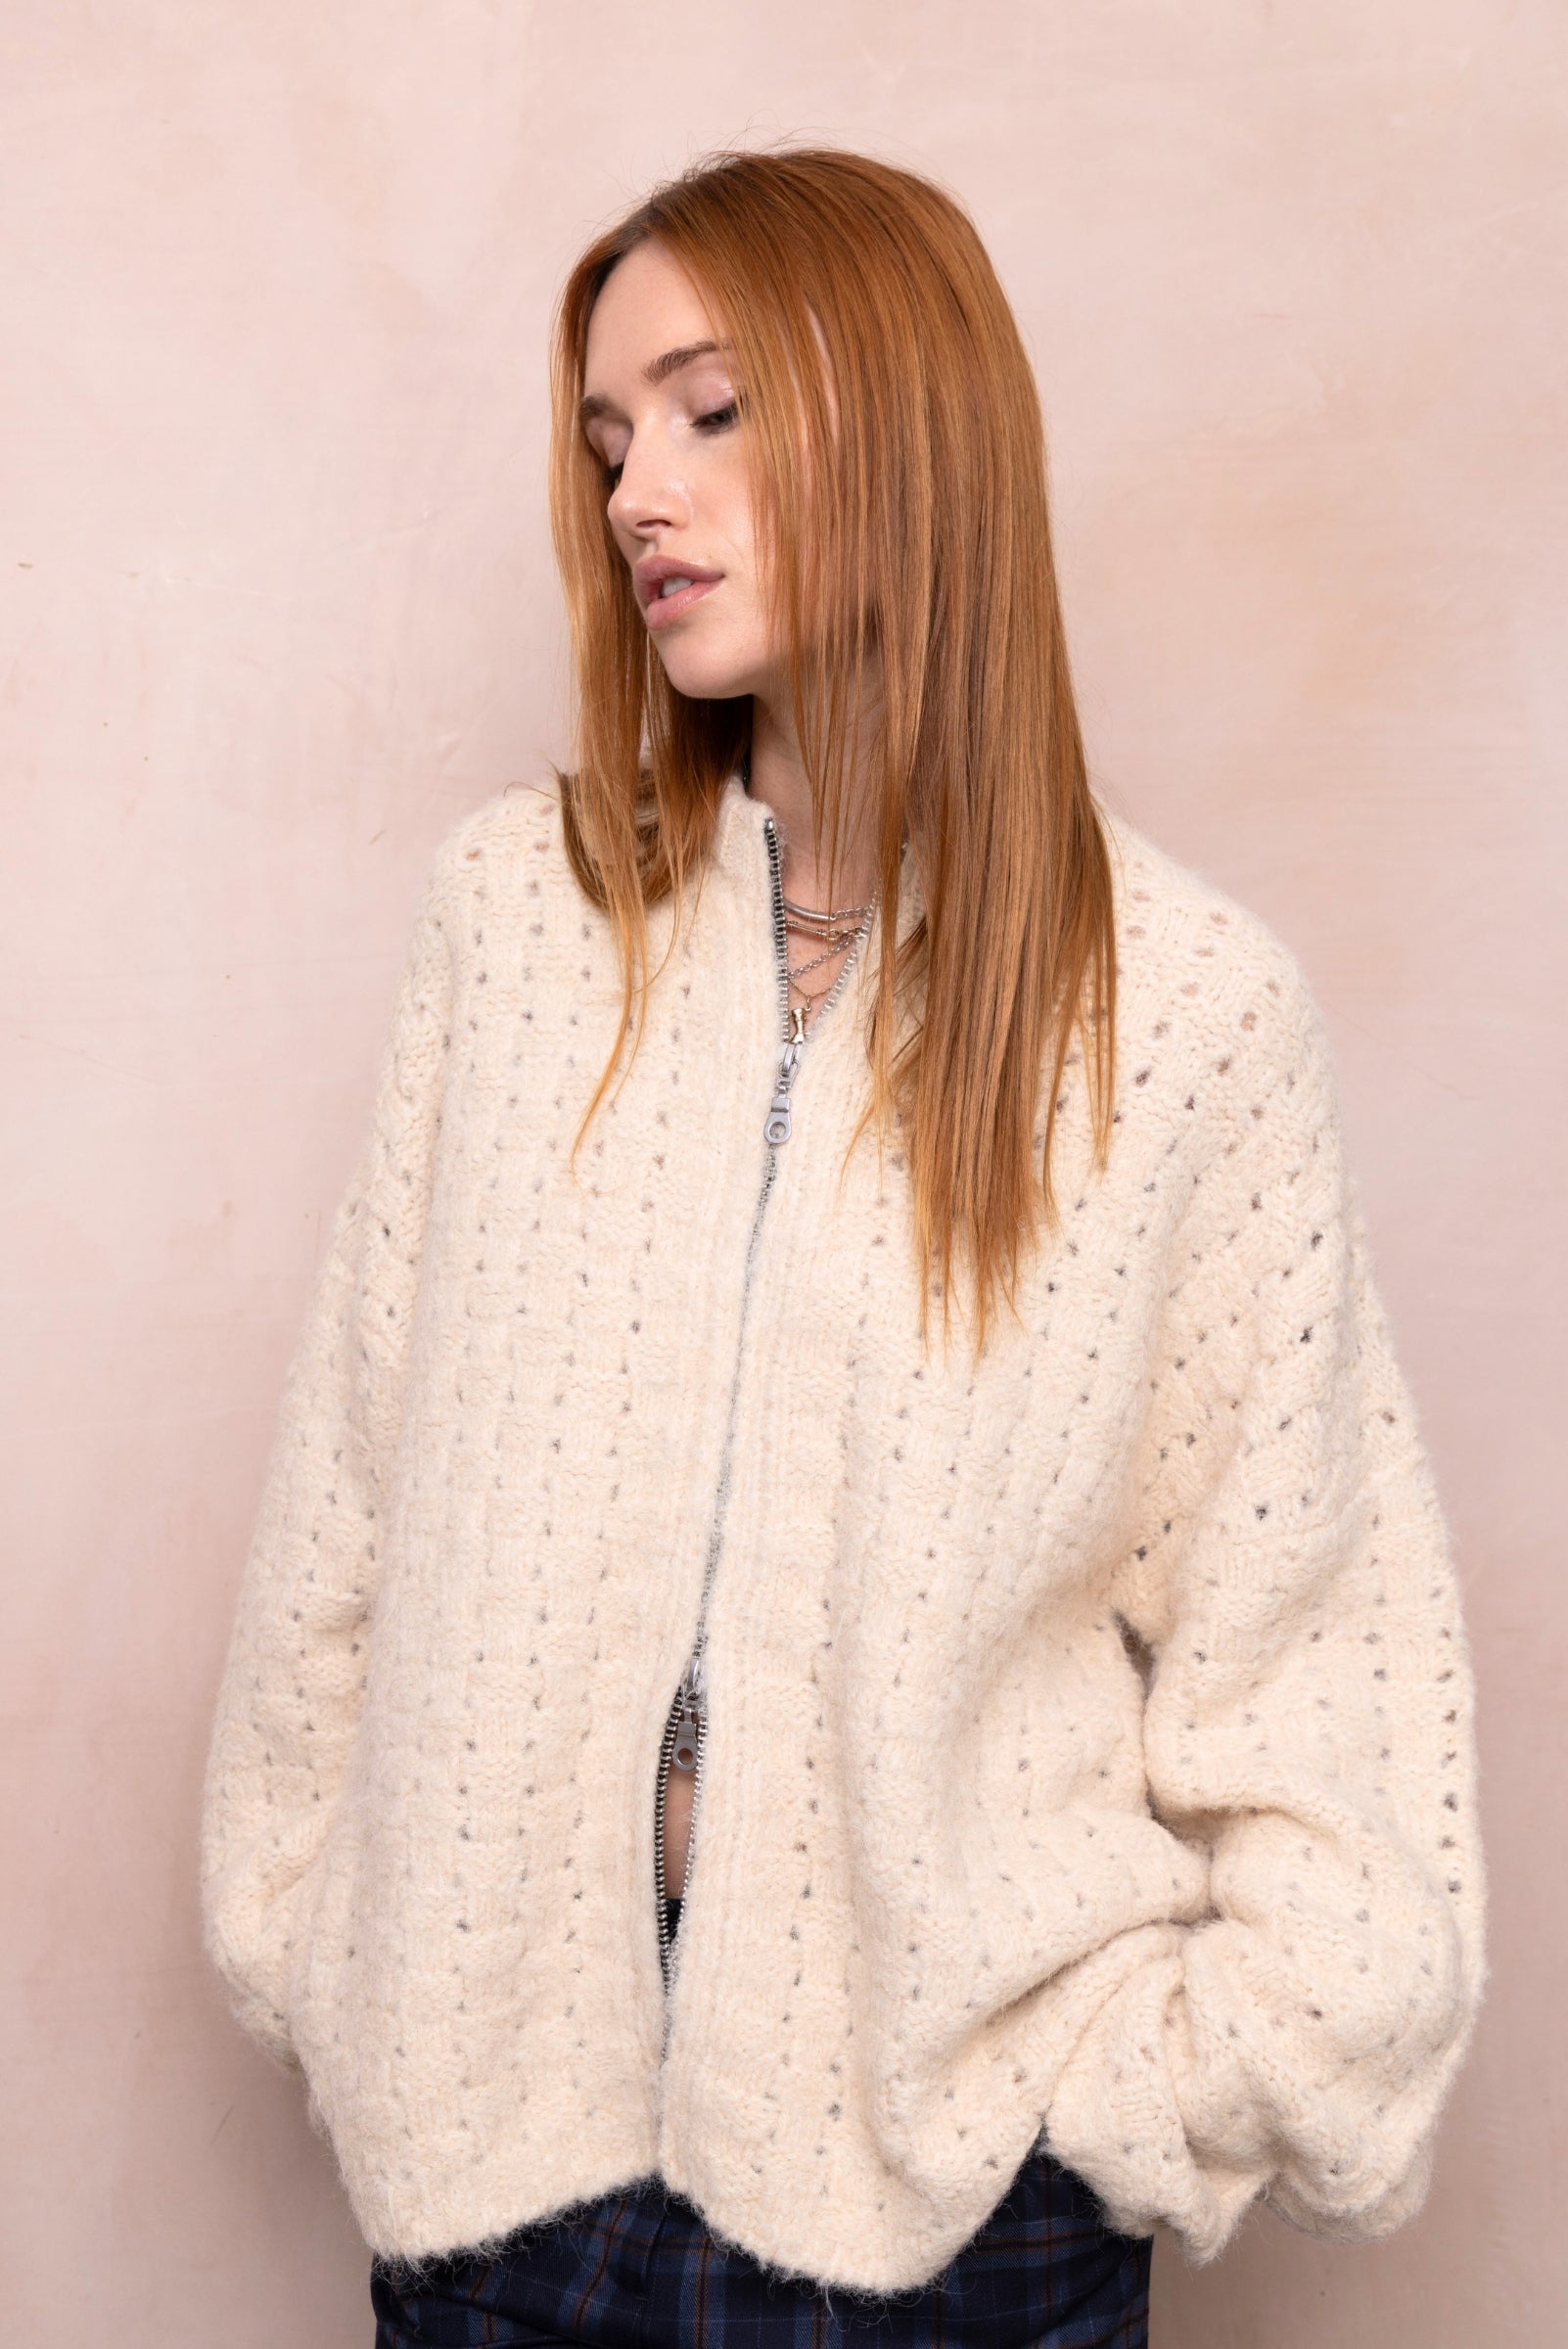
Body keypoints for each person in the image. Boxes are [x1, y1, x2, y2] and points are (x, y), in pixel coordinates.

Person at [199, 147, 1485, 2349]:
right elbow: (351, 1498)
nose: (636, 493)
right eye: (610, 439)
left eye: (709, 410)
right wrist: (328, 1940)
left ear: (907, 419)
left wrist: (1150, 2099)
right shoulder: (517, 926)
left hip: (960, 2221)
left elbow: (1315, 1658)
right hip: (502, 2191)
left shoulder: (1181, 1019)